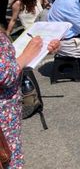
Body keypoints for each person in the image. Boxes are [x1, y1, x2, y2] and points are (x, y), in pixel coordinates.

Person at [0, 28, 59, 169]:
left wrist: (40, 49)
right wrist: (28, 53)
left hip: (9, 113)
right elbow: (4, 75)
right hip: (4, 116)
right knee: (9, 159)